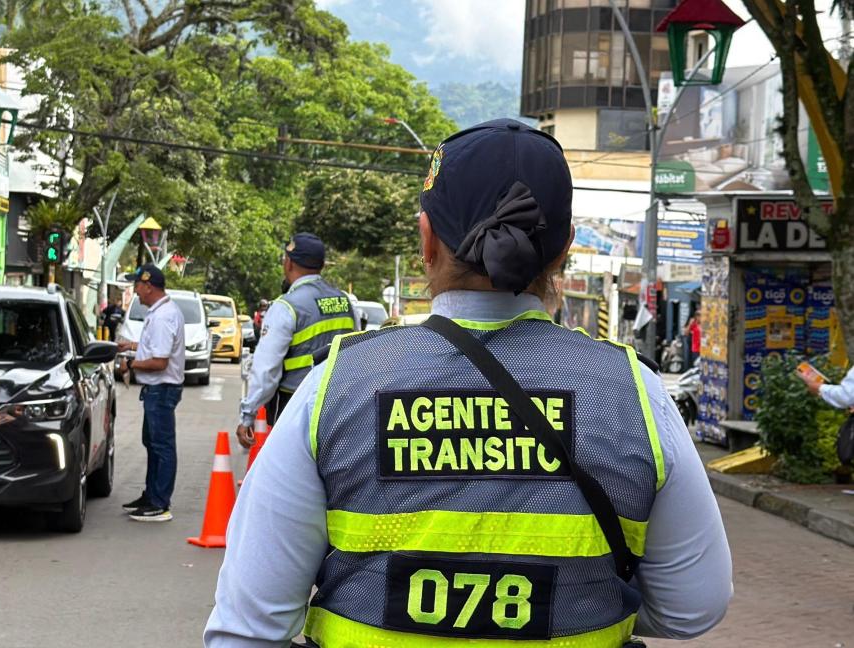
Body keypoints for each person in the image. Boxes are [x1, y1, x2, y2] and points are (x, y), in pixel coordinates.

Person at [206, 120, 731, 647]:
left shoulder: (337, 387)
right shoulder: (634, 394)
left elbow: (247, 627)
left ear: (427, 238)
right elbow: (693, 607)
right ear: (565, 248)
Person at [236, 233, 356, 444]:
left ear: (289, 263)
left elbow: (267, 370)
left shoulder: (286, 306)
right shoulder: (344, 302)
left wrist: (248, 414)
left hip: (294, 407)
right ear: (321, 265)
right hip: (337, 405)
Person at [117, 264, 185, 522]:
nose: (135, 291)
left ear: (148, 286)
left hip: (161, 389)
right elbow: (154, 347)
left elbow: (159, 361)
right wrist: (133, 346)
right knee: (153, 444)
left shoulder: (163, 316)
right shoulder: (161, 312)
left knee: (162, 447)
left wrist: (130, 364)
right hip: (157, 390)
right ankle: (151, 495)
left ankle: (160, 503)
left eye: (137, 286)